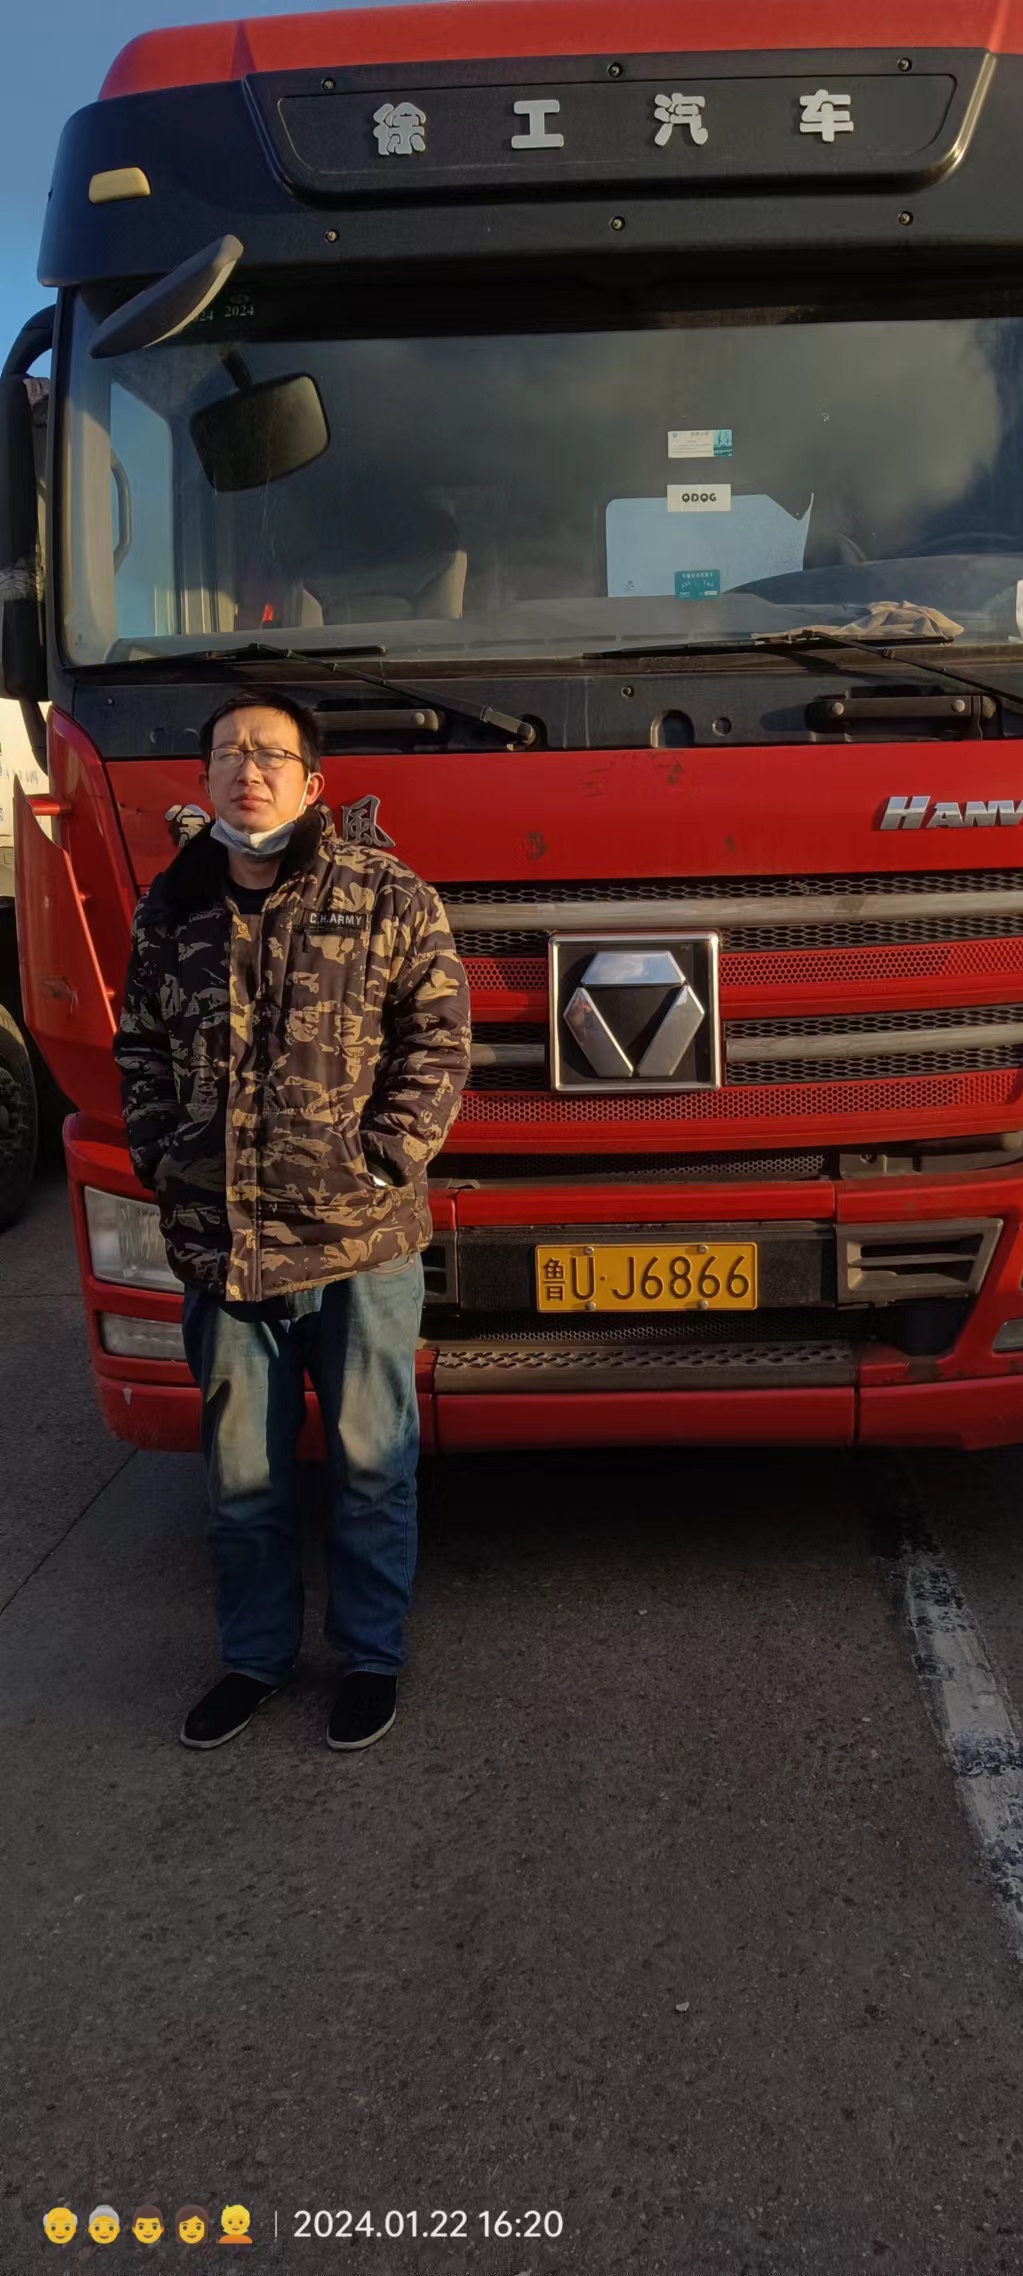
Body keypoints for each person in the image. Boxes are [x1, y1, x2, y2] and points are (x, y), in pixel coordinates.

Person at [114, 694, 471, 1752]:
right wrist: (159, 1154)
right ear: (204, 781)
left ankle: (369, 1658)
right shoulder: (171, 907)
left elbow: (440, 1037)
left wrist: (382, 1159)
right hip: (223, 1250)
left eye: (270, 754)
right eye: (228, 753)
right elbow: (138, 1044)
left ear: (312, 783)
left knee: (371, 1468)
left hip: (359, 1245)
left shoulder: (385, 893)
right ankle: (254, 1658)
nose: (248, 769)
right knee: (241, 1481)